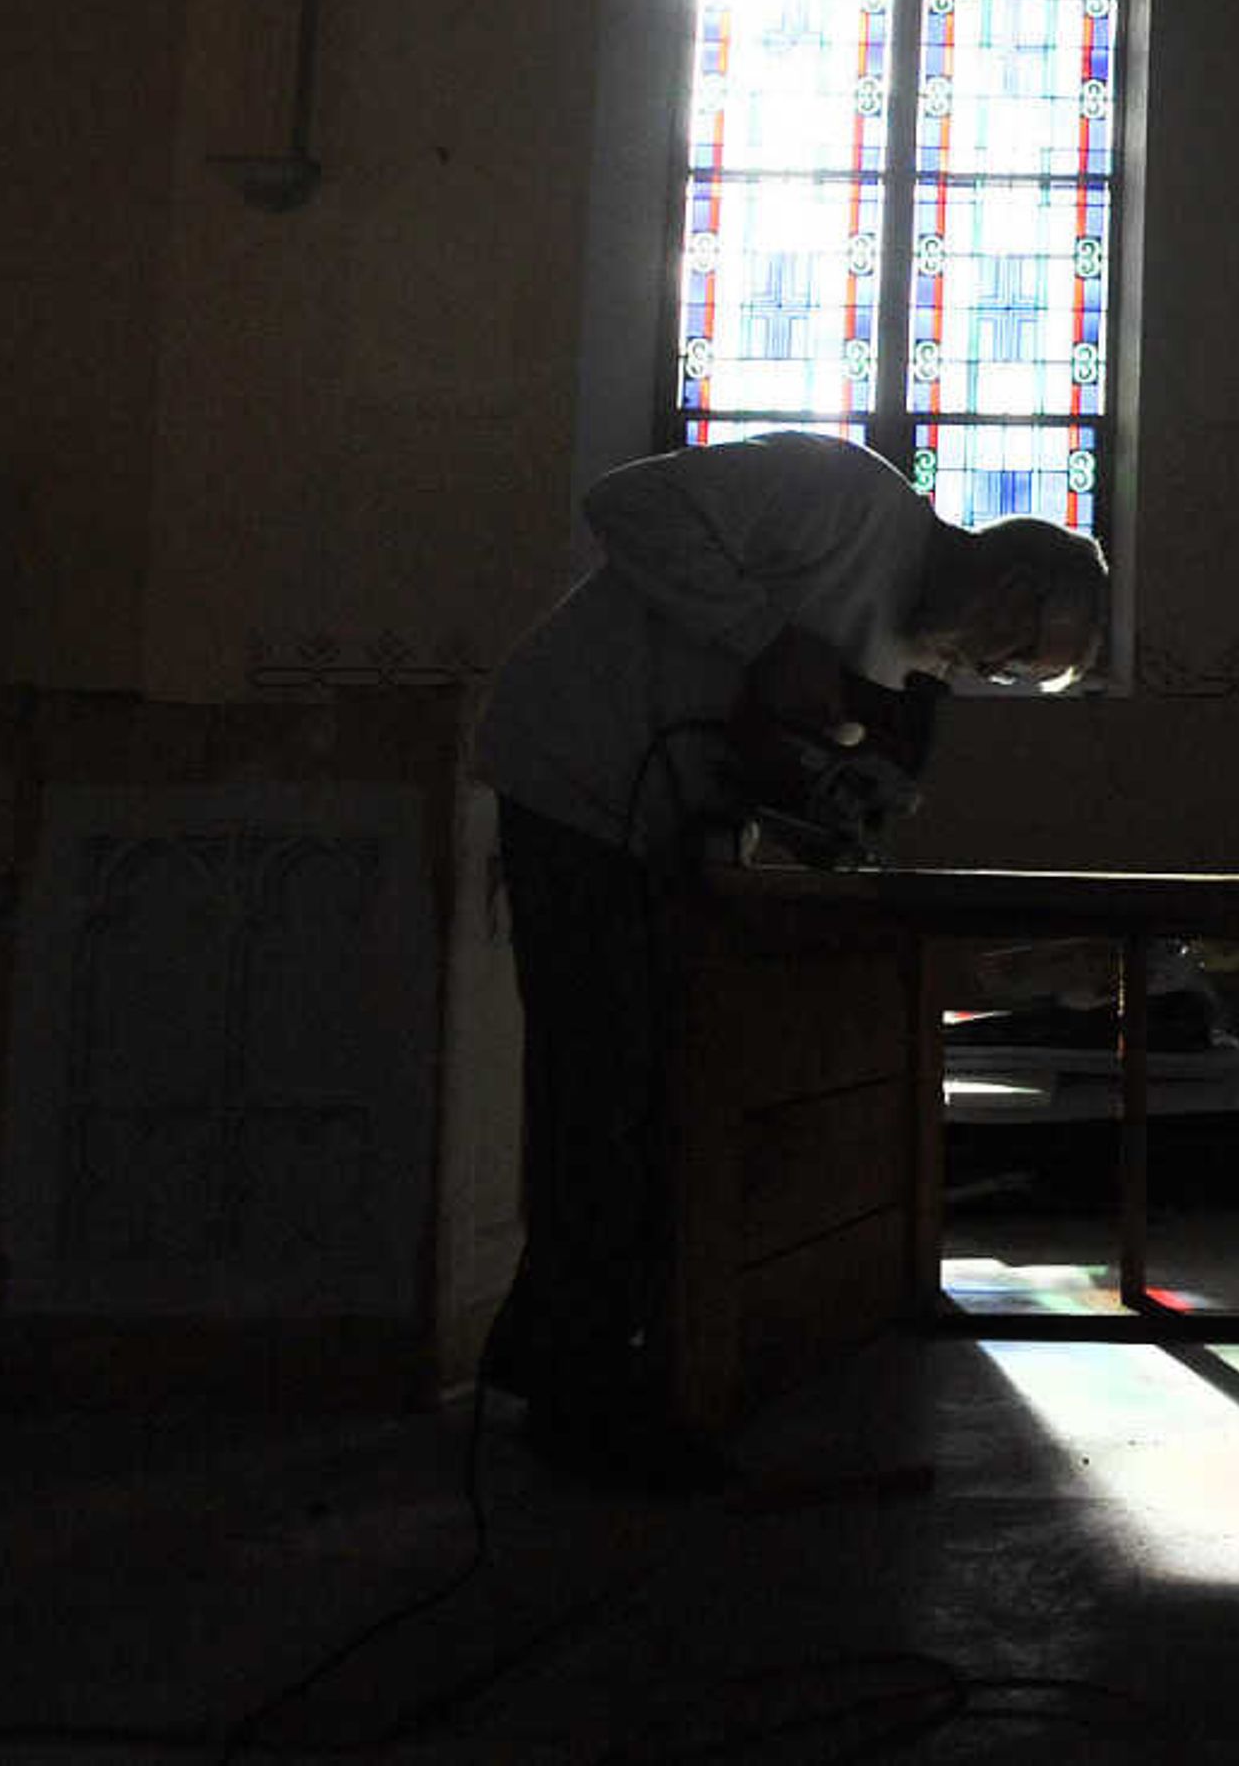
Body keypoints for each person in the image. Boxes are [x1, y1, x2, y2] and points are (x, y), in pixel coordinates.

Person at [470, 431, 1106, 1486]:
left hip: (663, 833)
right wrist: (768, 636)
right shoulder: (842, 497)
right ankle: (573, 1392)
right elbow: (625, 506)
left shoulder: (900, 666)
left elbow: (759, 752)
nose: (982, 673)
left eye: (1008, 677)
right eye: (1008, 654)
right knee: (604, 1083)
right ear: (1013, 580)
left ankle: (567, 1358)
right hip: (571, 775)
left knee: (660, 1090)